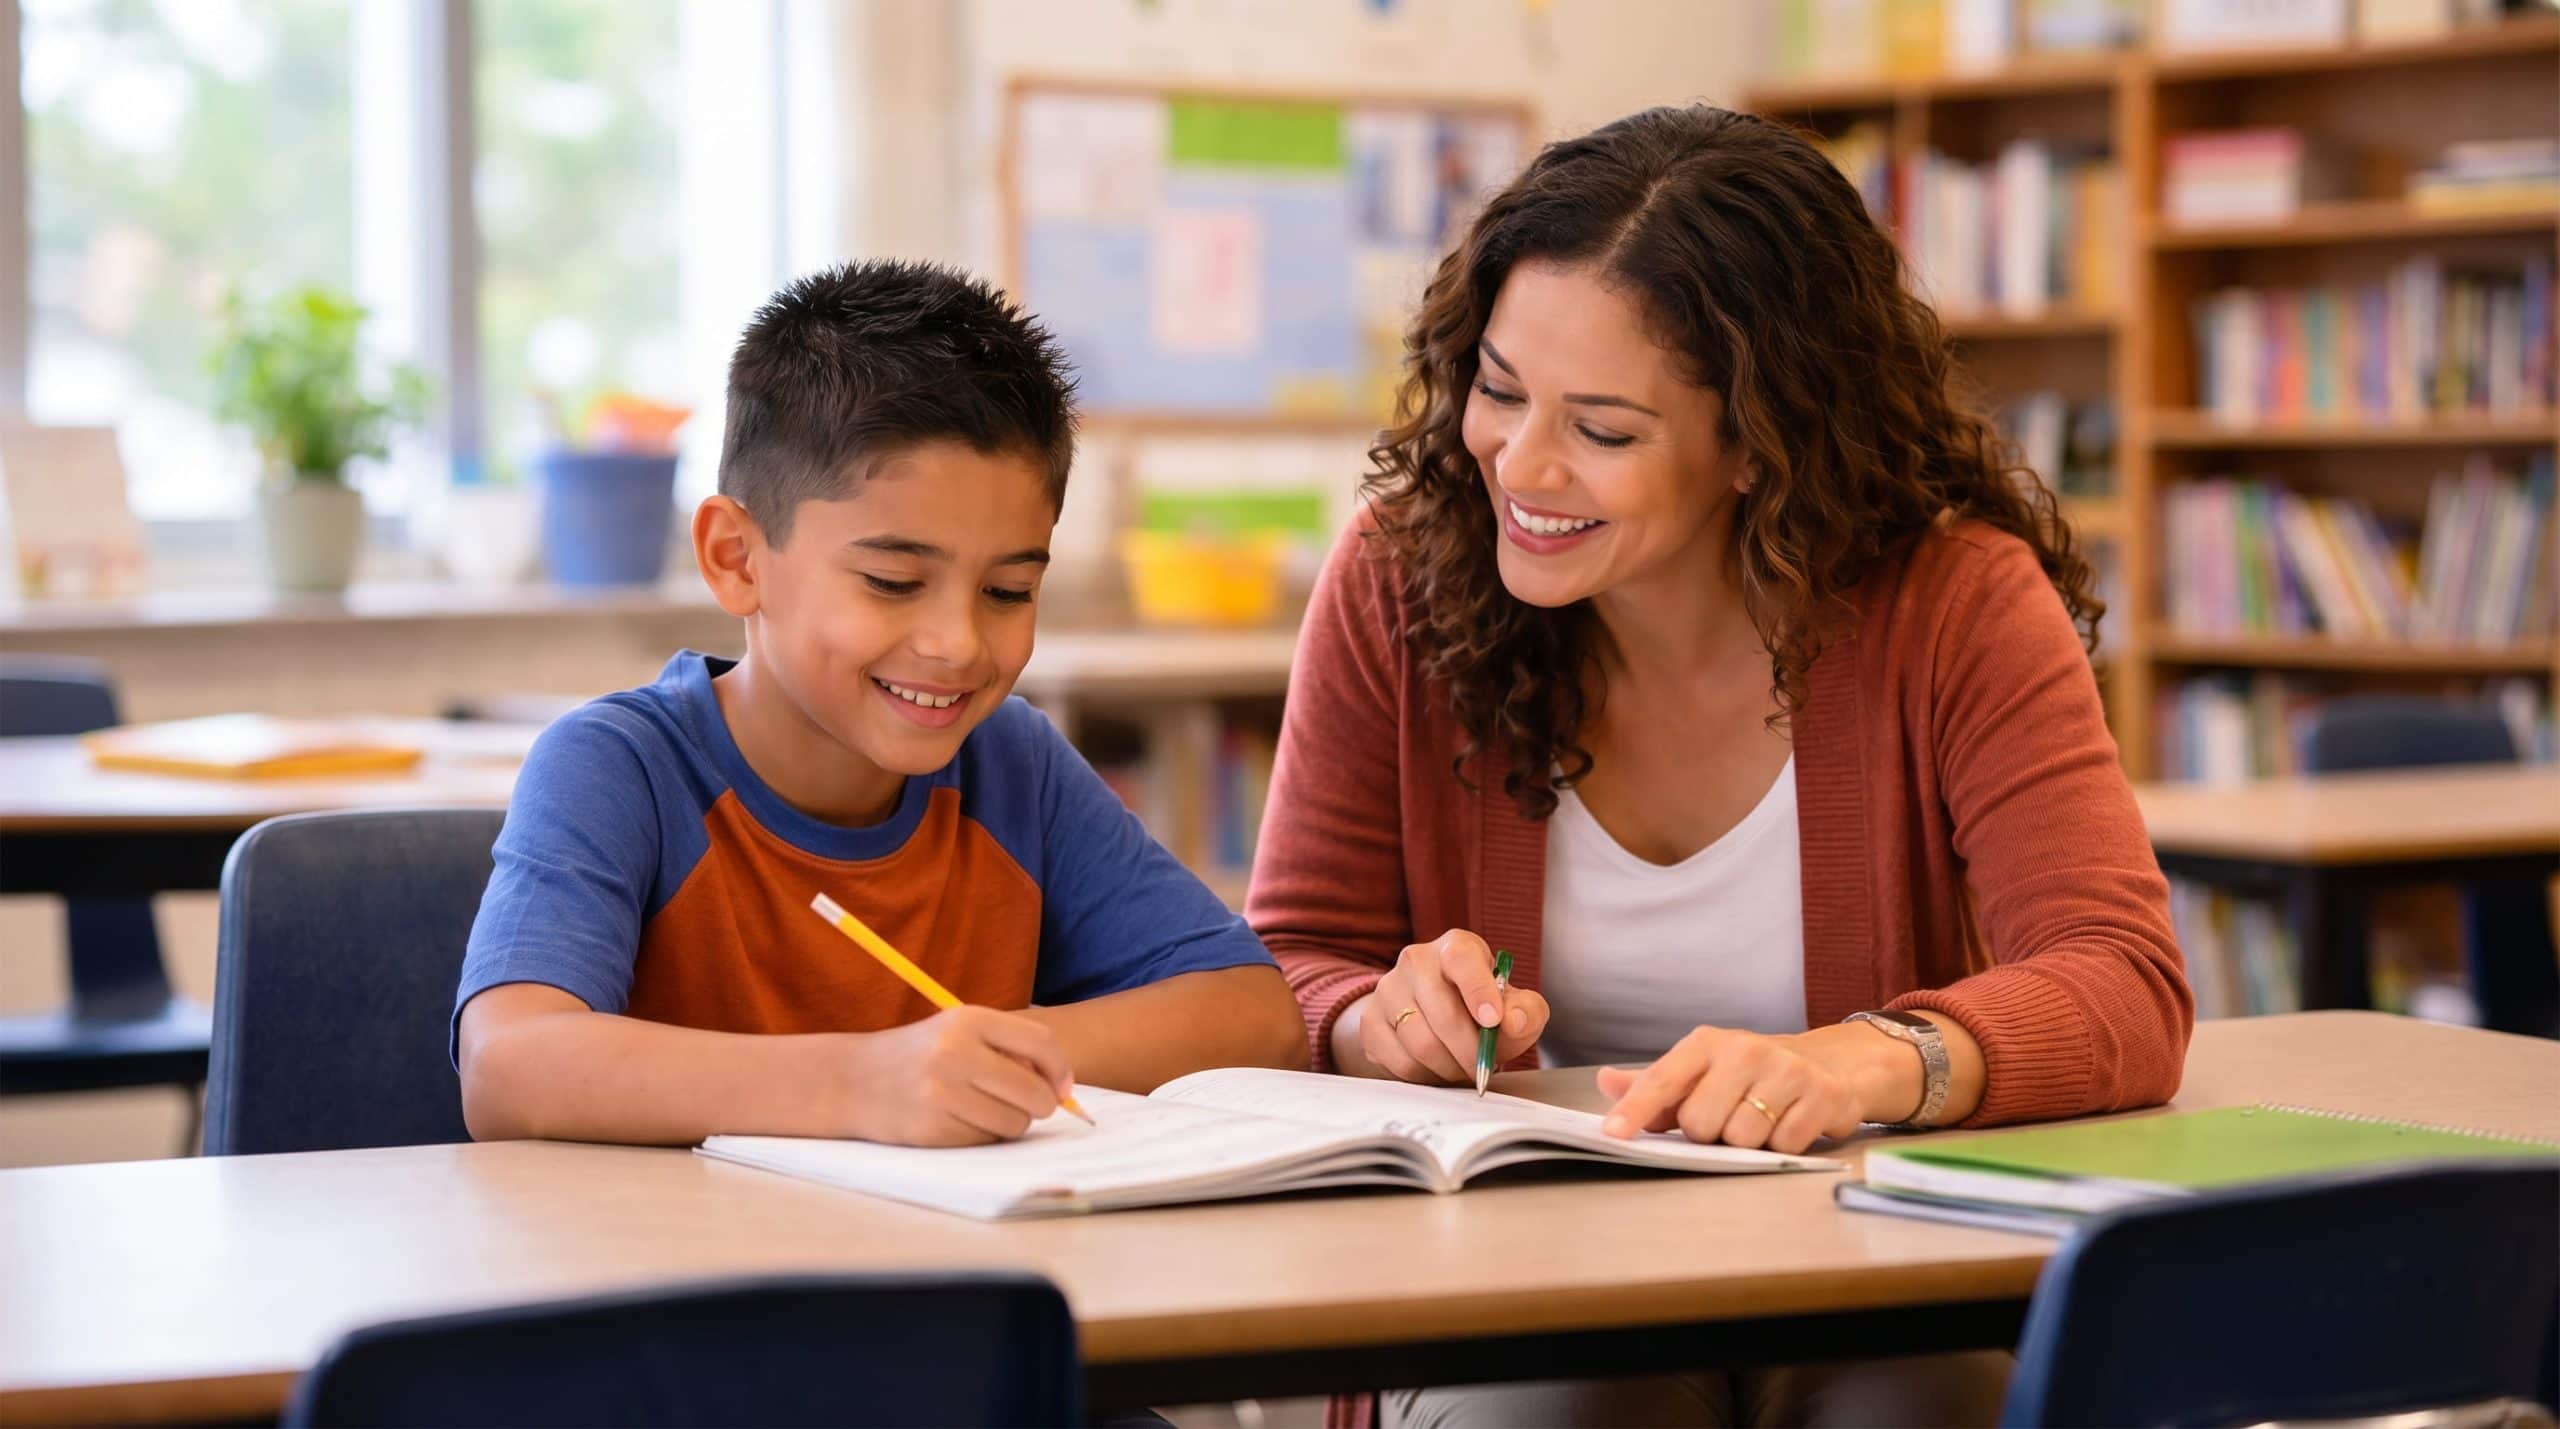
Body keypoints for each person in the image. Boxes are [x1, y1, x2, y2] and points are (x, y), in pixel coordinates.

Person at [1248, 105, 2191, 1427]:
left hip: (1870, 1268)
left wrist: (1869, 1060)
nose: (1520, 463)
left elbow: (2123, 984)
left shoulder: (1954, 601)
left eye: (1606, 429)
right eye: (1501, 389)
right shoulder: (1396, 588)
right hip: (1519, 1276)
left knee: (1912, 1411)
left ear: (1760, 442)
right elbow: (1283, 965)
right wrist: (1370, 1016)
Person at [456, 261, 1307, 1149]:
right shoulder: (617, 767)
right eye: (894, 581)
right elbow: (509, 1066)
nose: (960, 643)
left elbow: (1256, 1013)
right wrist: (866, 1080)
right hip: (679, 1267)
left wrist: (987, 1061)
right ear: (737, 559)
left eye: (1009, 591)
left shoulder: (1014, 765)